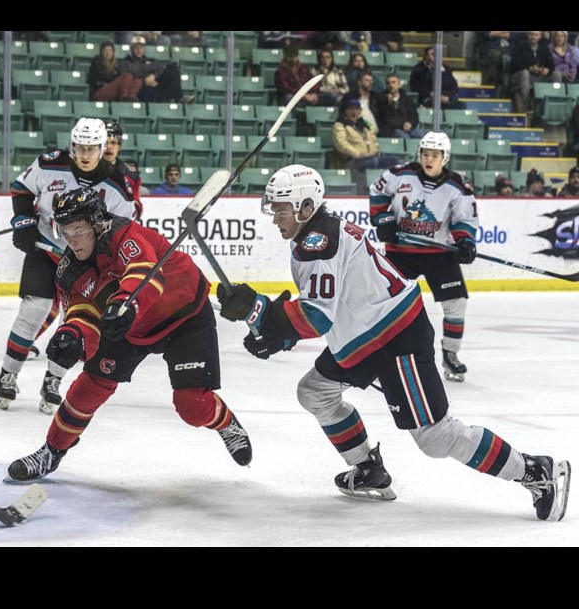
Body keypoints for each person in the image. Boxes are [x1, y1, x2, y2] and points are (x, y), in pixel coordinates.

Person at [216, 164, 570, 521]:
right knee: (315, 391)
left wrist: (262, 313)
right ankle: (369, 470)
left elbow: (317, 317)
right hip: (365, 338)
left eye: (280, 209)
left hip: (394, 339)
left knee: (436, 436)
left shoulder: (318, 242)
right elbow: (330, 304)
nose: (274, 217)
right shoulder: (317, 233)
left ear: (306, 207)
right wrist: (277, 333)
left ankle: (535, 471)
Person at [7, 187, 253, 481]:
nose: (72, 240)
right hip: (127, 322)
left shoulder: (124, 235)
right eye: (65, 232)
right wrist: (73, 337)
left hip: (183, 314)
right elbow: (81, 313)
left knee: (192, 406)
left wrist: (127, 305)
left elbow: (144, 273)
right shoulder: (68, 270)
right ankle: (51, 452)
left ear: (96, 222)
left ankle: (226, 424)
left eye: (78, 230)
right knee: (91, 384)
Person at [0, 118, 136, 415]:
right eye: (80, 148)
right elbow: (21, 188)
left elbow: (125, 225)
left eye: (92, 148)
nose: (85, 154)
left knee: (72, 322)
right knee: (33, 310)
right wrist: (24, 223)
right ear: (72, 146)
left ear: (102, 149)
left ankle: (53, 380)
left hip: (83, 260)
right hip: (45, 249)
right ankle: (8, 374)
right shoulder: (50, 165)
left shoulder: (116, 183)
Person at [368, 132, 477, 382]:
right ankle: (378, 353)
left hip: (439, 254)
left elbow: (464, 220)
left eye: (435, 155)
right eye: (425, 154)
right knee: (386, 302)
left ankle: (450, 355)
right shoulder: (399, 174)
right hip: (401, 252)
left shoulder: (458, 186)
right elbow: (377, 193)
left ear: (445, 158)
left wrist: (465, 241)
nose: (429, 159)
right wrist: (383, 219)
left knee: (456, 304)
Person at [331, 98, 398, 191]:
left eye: (356, 108)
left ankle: (392, 189)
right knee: (373, 162)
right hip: (352, 160)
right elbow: (341, 144)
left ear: (360, 111)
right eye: (351, 108)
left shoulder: (364, 126)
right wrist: (358, 154)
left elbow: (374, 142)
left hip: (371, 157)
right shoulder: (340, 125)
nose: (353, 111)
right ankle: (368, 189)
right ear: (346, 111)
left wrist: (374, 152)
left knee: (393, 160)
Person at [121, 36, 185, 104]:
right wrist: (145, 81)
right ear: (132, 49)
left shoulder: (151, 60)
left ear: (144, 49)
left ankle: (179, 99)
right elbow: (127, 79)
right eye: (136, 47)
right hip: (141, 88)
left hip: (156, 83)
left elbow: (160, 69)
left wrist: (154, 76)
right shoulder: (126, 62)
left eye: (141, 47)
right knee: (149, 91)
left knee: (172, 68)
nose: (139, 50)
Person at [509, 31, 561, 114]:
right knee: (525, 73)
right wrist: (530, 68)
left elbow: (552, 64)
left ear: (540, 36)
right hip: (523, 76)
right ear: (527, 35)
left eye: (536, 35)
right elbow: (514, 65)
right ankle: (525, 105)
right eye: (531, 34)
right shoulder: (519, 46)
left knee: (557, 74)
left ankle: (554, 103)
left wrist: (547, 70)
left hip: (539, 76)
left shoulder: (544, 48)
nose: (533, 37)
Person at [102, 121, 143, 219]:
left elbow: (137, 207)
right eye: (105, 143)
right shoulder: (85, 171)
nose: (109, 147)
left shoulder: (131, 177)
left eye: (113, 143)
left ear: (120, 146)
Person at [375, 73, 423, 139]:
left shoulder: (406, 98)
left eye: (393, 82)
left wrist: (410, 123)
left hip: (409, 127)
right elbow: (385, 120)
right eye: (388, 83)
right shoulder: (381, 100)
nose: (391, 85)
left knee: (421, 135)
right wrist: (389, 104)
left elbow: (414, 115)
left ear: (399, 85)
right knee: (404, 137)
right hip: (393, 129)